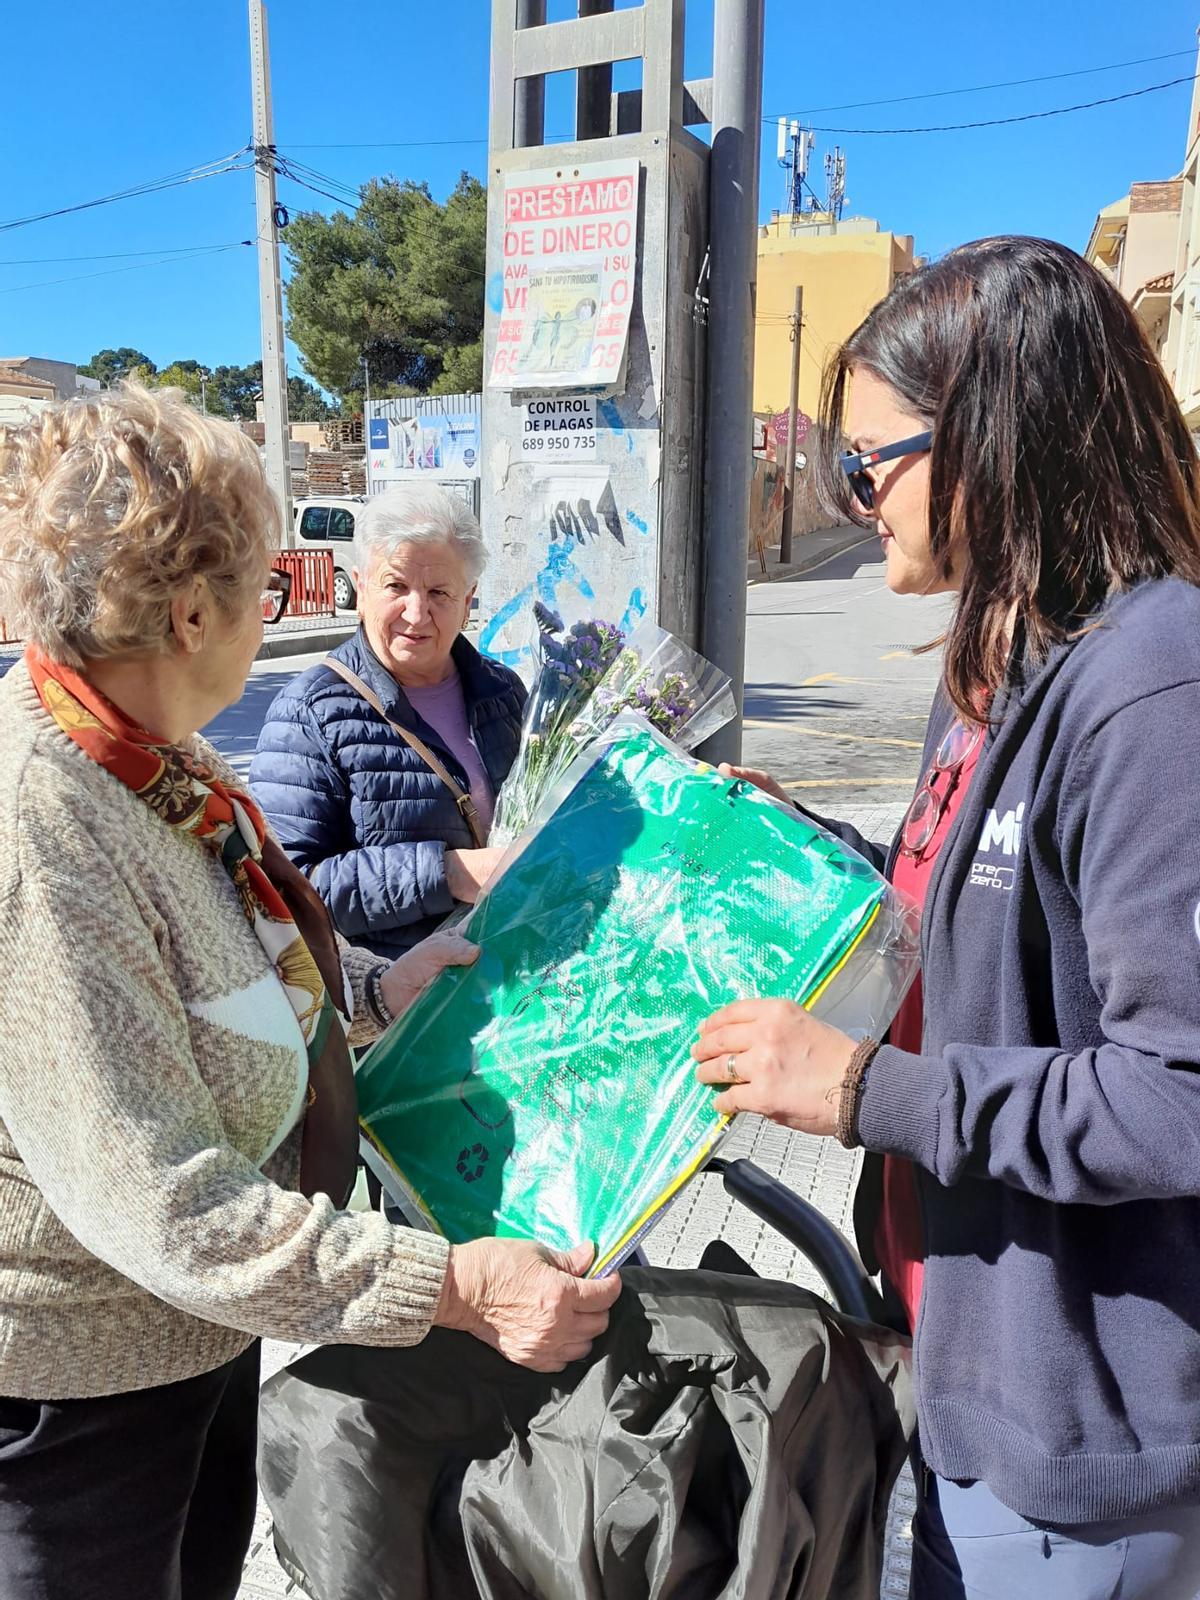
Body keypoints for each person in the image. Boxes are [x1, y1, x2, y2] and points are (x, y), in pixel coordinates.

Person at [0, 387, 619, 1600]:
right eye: (271, 588)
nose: (285, 614)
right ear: (190, 612)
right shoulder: (47, 821)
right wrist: (455, 1285)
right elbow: (162, 1198)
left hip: (196, 1340)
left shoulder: (149, 749)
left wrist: (381, 994)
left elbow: (225, 977)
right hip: (83, 1396)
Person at [693, 237, 1200, 1599]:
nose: (855, 498)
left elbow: (1178, 1097)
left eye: (874, 462)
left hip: (1085, 1437)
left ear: (998, 436)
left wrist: (868, 1091)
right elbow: (973, 917)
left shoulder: (1154, 685)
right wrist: (799, 843)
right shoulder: (1002, 654)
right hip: (965, 1357)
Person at [251, 483, 523, 960]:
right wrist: (447, 873)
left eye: (439, 591)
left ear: (469, 598)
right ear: (361, 587)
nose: (416, 613)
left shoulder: (503, 692)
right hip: (399, 1010)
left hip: (511, 978)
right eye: (396, 586)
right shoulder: (311, 712)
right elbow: (285, 891)